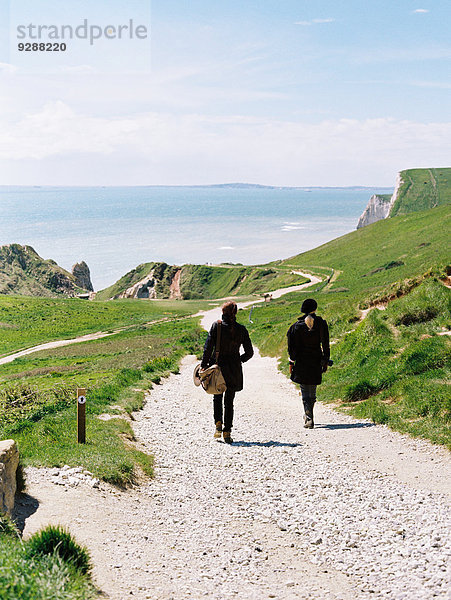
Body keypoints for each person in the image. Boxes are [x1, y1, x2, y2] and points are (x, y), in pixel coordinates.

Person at [201, 301, 254, 443]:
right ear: (235, 314)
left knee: (217, 397)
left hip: (218, 368)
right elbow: (250, 352)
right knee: (229, 402)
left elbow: (208, 348)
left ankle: (218, 425)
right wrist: (240, 360)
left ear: (223, 312)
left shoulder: (216, 326)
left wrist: (203, 365)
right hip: (234, 369)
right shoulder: (241, 329)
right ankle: (227, 432)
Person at [287, 298, 330, 429]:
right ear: (315, 309)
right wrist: (325, 360)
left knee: (305, 389)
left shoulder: (295, 327)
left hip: (301, 362)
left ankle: (309, 417)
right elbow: (326, 344)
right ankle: (309, 414)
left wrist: (291, 363)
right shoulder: (321, 324)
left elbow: (291, 349)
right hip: (316, 360)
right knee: (313, 389)